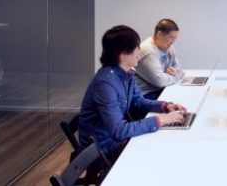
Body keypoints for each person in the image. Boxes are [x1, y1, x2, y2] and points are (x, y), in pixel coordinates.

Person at [78, 25, 187, 160]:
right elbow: (119, 131)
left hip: (114, 140)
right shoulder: (105, 84)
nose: (139, 52)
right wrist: (160, 120)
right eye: (137, 48)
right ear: (123, 53)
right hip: (103, 149)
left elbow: (138, 101)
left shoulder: (126, 73)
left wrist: (165, 106)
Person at [134, 18, 185, 100]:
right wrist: (178, 75)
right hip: (146, 95)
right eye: (171, 37)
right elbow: (160, 81)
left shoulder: (169, 46)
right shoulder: (148, 51)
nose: (173, 42)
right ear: (160, 34)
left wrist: (176, 72)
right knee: (178, 104)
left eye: (175, 38)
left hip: (163, 88)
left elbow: (178, 67)